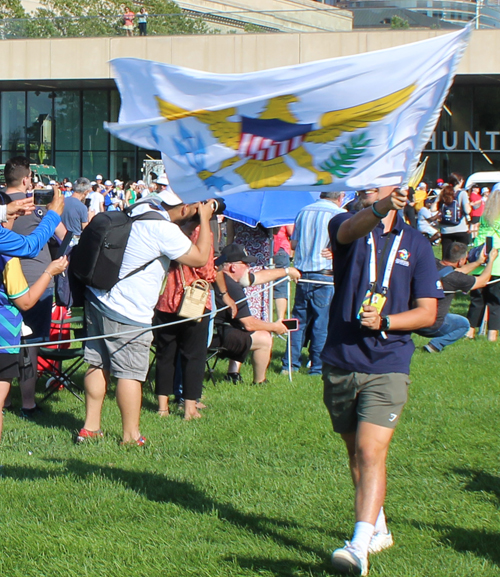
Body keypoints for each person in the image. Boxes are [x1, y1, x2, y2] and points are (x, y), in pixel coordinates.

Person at [322, 186, 442, 576]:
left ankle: (358, 546)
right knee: (354, 451)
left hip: (388, 362)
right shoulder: (346, 224)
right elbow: (348, 230)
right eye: (365, 183)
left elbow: (427, 313)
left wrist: (388, 321)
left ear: (398, 187)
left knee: (372, 452)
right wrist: (379, 207)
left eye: (378, 182)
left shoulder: (417, 244)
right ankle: (378, 524)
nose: (367, 186)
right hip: (341, 359)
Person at [77, 189, 216, 445]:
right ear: (184, 209)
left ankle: (90, 427)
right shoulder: (163, 230)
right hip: (128, 310)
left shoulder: (138, 210)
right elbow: (198, 258)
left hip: (99, 297)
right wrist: (206, 219)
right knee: (130, 373)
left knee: (97, 363)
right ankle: (131, 435)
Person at [5, 156, 67, 419]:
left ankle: (6, 399)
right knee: (29, 344)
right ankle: (27, 402)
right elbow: (35, 245)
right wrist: (52, 214)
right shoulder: (37, 212)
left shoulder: (7, 207)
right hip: (29, 284)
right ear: (27, 178)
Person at [154, 226, 236, 420]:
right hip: (194, 301)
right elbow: (207, 270)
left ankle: (162, 407)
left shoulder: (166, 228)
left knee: (165, 355)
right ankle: (189, 408)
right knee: (193, 356)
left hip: (165, 299)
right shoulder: (202, 232)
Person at [213, 243, 300, 385]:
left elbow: (257, 277)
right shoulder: (233, 287)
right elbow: (249, 324)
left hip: (212, 330)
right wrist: (275, 327)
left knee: (242, 330)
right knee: (264, 338)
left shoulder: (222, 278)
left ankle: (233, 374)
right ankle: (260, 381)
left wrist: (287, 271)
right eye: (245, 264)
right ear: (233, 267)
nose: (249, 268)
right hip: (216, 335)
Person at [281, 191, 346, 376]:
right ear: (340, 196)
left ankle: (289, 364)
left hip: (302, 273)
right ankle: (317, 366)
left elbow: (293, 243)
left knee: (297, 321)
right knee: (321, 323)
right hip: (324, 274)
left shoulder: (303, 211)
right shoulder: (338, 214)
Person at [417, 241, 497, 353]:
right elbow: (482, 282)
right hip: (431, 325)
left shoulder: (431, 264)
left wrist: (478, 262)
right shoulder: (454, 279)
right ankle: (436, 345)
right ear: (461, 261)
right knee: (463, 324)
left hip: (412, 319)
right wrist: (491, 261)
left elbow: (454, 272)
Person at [466, 184, 500, 342]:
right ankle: (492, 335)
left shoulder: (486, 215)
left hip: (480, 260)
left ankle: (470, 331)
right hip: (497, 263)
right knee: (495, 301)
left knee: (477, 299)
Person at [433, 174, 471, 259]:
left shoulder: (444, 192)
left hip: (446, 229)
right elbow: (467, 210)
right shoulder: (462, 193)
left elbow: (433, 209)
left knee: (446, 255)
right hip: (460, 228)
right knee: (461, 256)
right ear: (459, 182)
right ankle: (459, 271)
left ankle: (446, 271)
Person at [272, 225, 294, 320]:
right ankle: (280, 319)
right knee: (281, 285)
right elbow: (291, 231)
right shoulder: (284, 210)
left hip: (261, 247)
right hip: (280, 246)